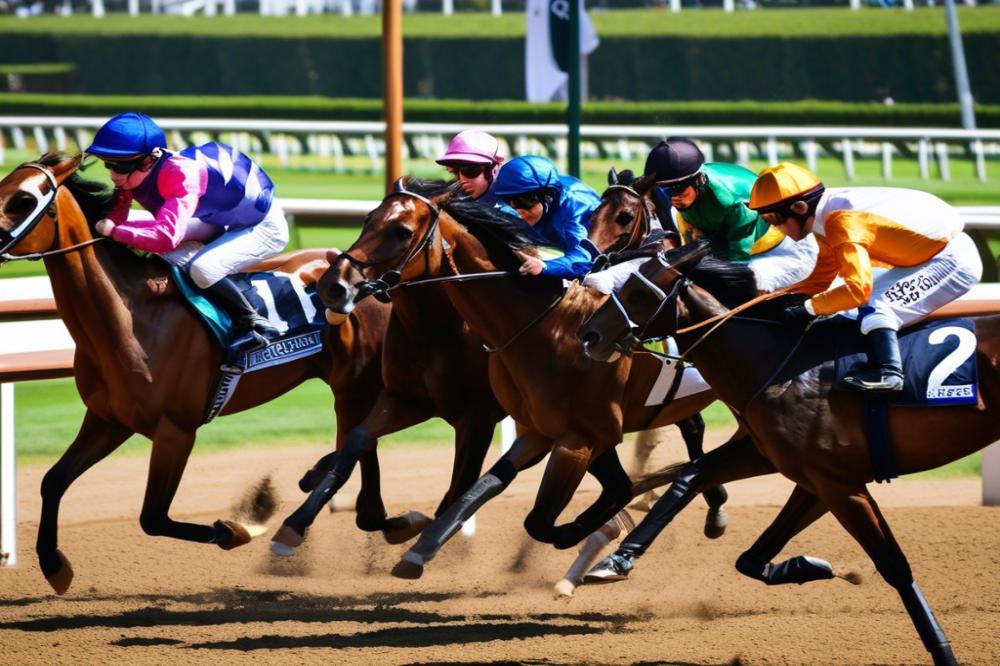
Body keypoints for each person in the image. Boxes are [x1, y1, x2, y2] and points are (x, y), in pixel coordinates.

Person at [749, 161, 983, 392]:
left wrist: (807, 308)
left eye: (774, 220)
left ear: (799, 208)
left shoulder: (841, 222)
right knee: (854, 307)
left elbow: (857, 290)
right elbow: (823, 275)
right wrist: (779, 300)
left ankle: (890, 374)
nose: (777, 230)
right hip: (928, 255)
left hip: (951, 261)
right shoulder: (825, 215)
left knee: (875, 304)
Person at [85, 112, 289, 344]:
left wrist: (114, 232)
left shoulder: (182, 174)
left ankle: (253, 321)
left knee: (202, 270)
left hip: (261, 226)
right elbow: (118, 215)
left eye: (120, 167)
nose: (112, 174)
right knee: (165, 255)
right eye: (108, 164)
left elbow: (165, 237)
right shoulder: (136, 174)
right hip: (216, 219)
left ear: (148, 161)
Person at [585, 137, 817, 295]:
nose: (672, 197)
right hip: (727, 240)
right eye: (665, 189)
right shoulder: (683, 191)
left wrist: (702, 246)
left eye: (678, 189)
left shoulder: (730, 201)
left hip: (784, 250)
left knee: (736, 286)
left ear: (699, 180)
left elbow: (735, 263)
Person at [492, 155, 601, 279]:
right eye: (508, 201)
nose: (516, 211)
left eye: (523, 203)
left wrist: (544, 266)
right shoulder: (508, 202)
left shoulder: (576, 206)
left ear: (547, 198)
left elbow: (586, 258)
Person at [436, 129, 505, 206]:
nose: (462, 180)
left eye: (469, 170)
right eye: (455, 172)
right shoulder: (453, 201)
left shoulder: (514, 206)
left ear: (495, 167)